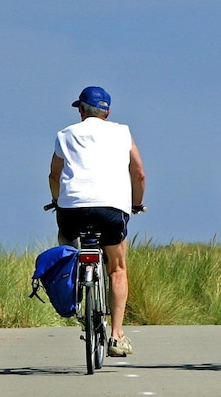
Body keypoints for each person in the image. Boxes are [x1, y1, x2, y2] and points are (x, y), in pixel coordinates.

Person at [49, 85, 146, 357]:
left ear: (81, 110)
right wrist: (136, 204)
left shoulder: (64, 135)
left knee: (67, 249)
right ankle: (116, 336)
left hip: (72, 210)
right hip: (111, 210)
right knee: (117, 268)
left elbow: (54, 176)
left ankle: (74, 291)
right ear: (108, 112)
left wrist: (57, 201)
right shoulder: (122, 131)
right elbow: (138, 174)